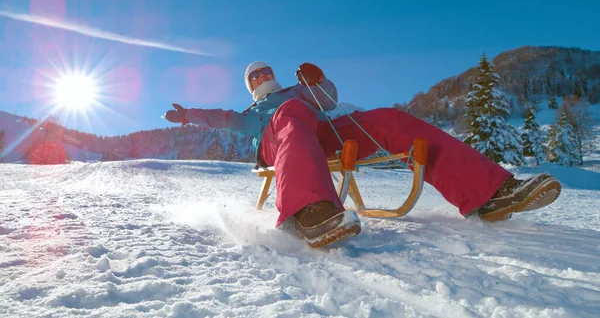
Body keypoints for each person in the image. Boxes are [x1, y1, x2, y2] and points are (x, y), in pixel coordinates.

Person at [165, 61, 562, 248]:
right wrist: (187, 116)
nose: (261, 77)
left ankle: (488, 191)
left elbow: (329, 100)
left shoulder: (297, 93)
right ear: (249, 86)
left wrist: (317, 81)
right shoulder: (250, 114)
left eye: (265, 71)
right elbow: (218, 117)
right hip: (277, 141)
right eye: (253, 76)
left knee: (388, 118)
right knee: (292, 115)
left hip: (320, 132)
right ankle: (308, 211)